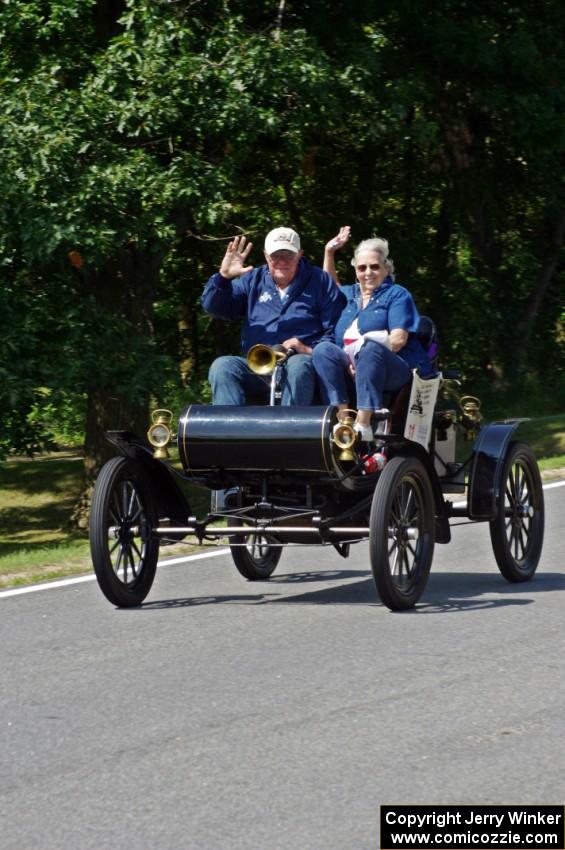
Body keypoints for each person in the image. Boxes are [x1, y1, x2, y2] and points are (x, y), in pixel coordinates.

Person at [202, 227, 346, 405]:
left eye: (289, 255)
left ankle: (289, 431)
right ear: (265, 255)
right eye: (275, 255)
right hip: (259, 366)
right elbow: (216, 309)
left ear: (300, 254)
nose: (282, 261)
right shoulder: (252, 280)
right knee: (222, 366)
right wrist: (223, 278)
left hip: (301, 365)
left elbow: (335, 332)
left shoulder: (321, 281)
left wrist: (308, 349)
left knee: (298, 366)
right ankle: (229, 431)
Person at [312, 228, 433, 439]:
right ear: (356, 271)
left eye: (374, 267)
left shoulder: (397, 294)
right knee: (323, 349)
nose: (368, 272)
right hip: (352, 367)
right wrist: (329, 252)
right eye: (362, 268)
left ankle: (364, 423)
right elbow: (329, 284)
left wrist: (359, 355)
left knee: (370, 347)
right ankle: (343, 420)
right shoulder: (349, 294)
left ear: (386, 268)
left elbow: (397, 340)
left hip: (391, 368)